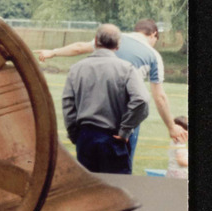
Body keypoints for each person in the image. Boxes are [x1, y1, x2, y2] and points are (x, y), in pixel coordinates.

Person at [37, 19, 187, 166]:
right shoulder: (153, 56)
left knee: (89, 176)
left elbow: (79, 47)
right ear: (154, 34)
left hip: (89, 119)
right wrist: (171, 127)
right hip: (121, 123)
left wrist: (53, 52)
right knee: (120, 174)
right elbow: (157, 96)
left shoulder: (112, 38)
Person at [61, 24, 150, 175]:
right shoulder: (126, 69)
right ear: (118, 45)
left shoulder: (77, 68)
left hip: (86, 137)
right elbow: (142, 99)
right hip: (113, 138)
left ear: (95, 41)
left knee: (89, 191)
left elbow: (68, 104)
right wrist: (125, 130)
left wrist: (75, 134)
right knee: (118, 192)